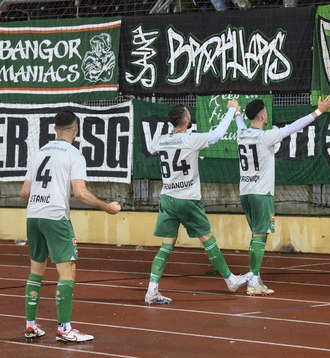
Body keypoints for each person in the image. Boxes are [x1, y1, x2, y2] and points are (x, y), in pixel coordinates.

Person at [20, 110, 121, 344]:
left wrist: (39, 204)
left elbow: (24, 192)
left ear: (54, 129)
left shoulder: (39, 153)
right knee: (67, 272)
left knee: (36, 271)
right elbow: (80, 192)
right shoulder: (74, 154)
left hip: (33, 216)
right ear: (76, 129)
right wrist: (107, 207)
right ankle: (64, 329)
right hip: (55, 217)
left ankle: (30, 326)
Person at [144, 100, 249, 305]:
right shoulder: (191, 140)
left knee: (166, 246)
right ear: (185, 120)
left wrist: (170, 133)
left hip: (167, 198)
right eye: (188, 115)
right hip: (188, 200)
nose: (190, 116)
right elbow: (218, 134)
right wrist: (230, 111)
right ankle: (230, 280)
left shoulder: (161, 140)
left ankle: (152, 290)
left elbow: (150, 147)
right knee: (208, 239)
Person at [236, 95, 330, 295]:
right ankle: (253, 282)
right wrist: (319, 111)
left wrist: (236, 112)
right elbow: (294, 127)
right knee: (260, 236)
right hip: (261, 193)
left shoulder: (241, 134)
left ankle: (256, 279)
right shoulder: (266, 136)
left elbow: (240, 124)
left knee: (256, 235)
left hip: (245, 192)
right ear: (263, 116)